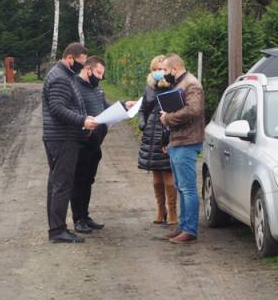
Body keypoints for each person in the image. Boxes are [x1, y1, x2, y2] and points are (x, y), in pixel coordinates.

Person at [72, 56, 138, 234]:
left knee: (89, 180)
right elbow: (72, 113)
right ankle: (77, 218)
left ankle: (85, 216)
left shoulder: (97, 89)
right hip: (80, 143)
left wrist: (124, 106)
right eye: (98, 73)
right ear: (88, 70)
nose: (100, 77)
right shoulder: (75, 87)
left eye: (102, 74)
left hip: (96, 143)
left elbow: (106, 108)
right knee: (78, 181)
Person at [42, 42, 98, 243]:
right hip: (62, 138)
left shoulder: (66, 75)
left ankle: (57, 228)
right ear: (69, 58)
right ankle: (57, 230)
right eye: (81, 62)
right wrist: (82, 120)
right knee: (62, 185)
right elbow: (58, 108)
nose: (82, 66)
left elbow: (69, 105)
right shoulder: (60, 78)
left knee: (57, 183)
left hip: (62, 137)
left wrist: (84, 116)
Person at [159, 53, 205, 244]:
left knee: (188, 188)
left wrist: (167, 118)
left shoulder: (191, 84)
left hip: (187, 141)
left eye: (165, 70)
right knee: (180, 186)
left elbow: (194, 110)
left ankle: (190, 230)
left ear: (175, 69)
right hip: (177, 140)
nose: (163, 74)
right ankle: (183, 226)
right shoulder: (179, 83)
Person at [137, 55, 177, 225]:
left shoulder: (173, 87)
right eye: (155, 69)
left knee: (168, 175)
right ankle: (161, 210)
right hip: (150, 136)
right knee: (156, 176)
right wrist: (142, 122)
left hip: (166, 135)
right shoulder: (149, 88)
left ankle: (173, 211)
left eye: (161, 69)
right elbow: (142, 109)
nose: (159, 72)